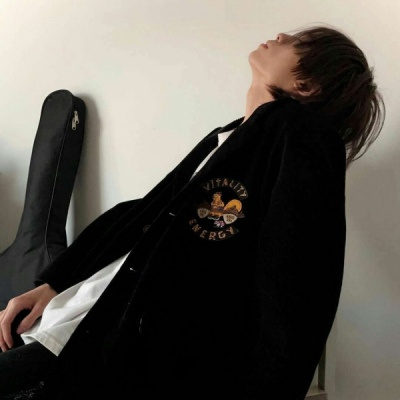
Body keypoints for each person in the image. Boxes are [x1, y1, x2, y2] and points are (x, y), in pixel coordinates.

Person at [0, 24, 385, 399]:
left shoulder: (305, 136)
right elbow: (140, 214)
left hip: (128, 356)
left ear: (309, 85)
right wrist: (55, 283)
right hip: (82, 322)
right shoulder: (231, 138)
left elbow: (299, 285)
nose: (283, 36)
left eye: (300, 44)